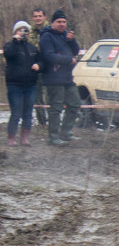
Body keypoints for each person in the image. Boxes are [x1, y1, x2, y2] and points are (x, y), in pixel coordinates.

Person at [38, 9, 82, 146]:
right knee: (56, 108)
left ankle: (66, 132)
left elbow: (76, 51)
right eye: (59, 22)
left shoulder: (66, 36)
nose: (62, 24)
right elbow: (49, 56)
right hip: (53, 78)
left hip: (67, 77)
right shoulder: (46, 36)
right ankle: (53, 136)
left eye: (64, 22)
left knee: (75, 103)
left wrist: (72, 41)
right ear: (52, 23)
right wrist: (68, 60)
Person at [4, 20, 40, 146]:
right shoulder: (10, 45)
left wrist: (38, 65)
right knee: (16, 112)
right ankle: (11, 138)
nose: (24, 32)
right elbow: (8, 54)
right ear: (16, 32)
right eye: (21, 30)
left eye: (26, 30)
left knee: (28, 112)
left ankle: (24, 138)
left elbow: (40, 60)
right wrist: (15, 40)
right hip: (15, 85)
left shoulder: (32, 48)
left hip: (30, 84)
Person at [29, 8, 48, 126]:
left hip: (49, 66)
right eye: (35, 16)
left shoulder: (50, 30)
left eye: (40, 16)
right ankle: (42, 123)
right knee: (38, 97)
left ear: (44, 17)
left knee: (51, 96)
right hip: (35, 68)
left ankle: (54, 122)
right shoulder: (30, 32)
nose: (37, 18)